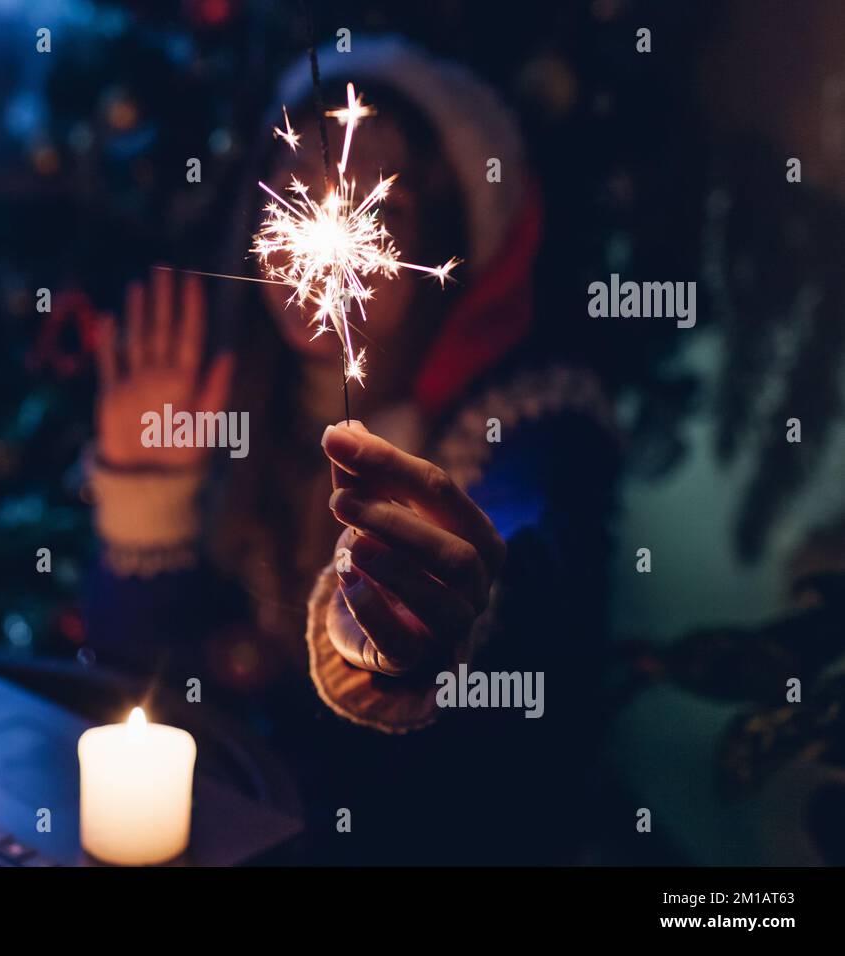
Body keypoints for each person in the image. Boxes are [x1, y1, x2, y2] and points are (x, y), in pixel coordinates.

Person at [84, 36, 619, 863]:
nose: (331, 237)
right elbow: (139, 695)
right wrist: (149, 492)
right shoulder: (233, 405)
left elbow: (479, 747)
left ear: (447, 247)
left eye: (388, 213)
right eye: (298, 195)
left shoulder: (526, 438)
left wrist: (402, 640)